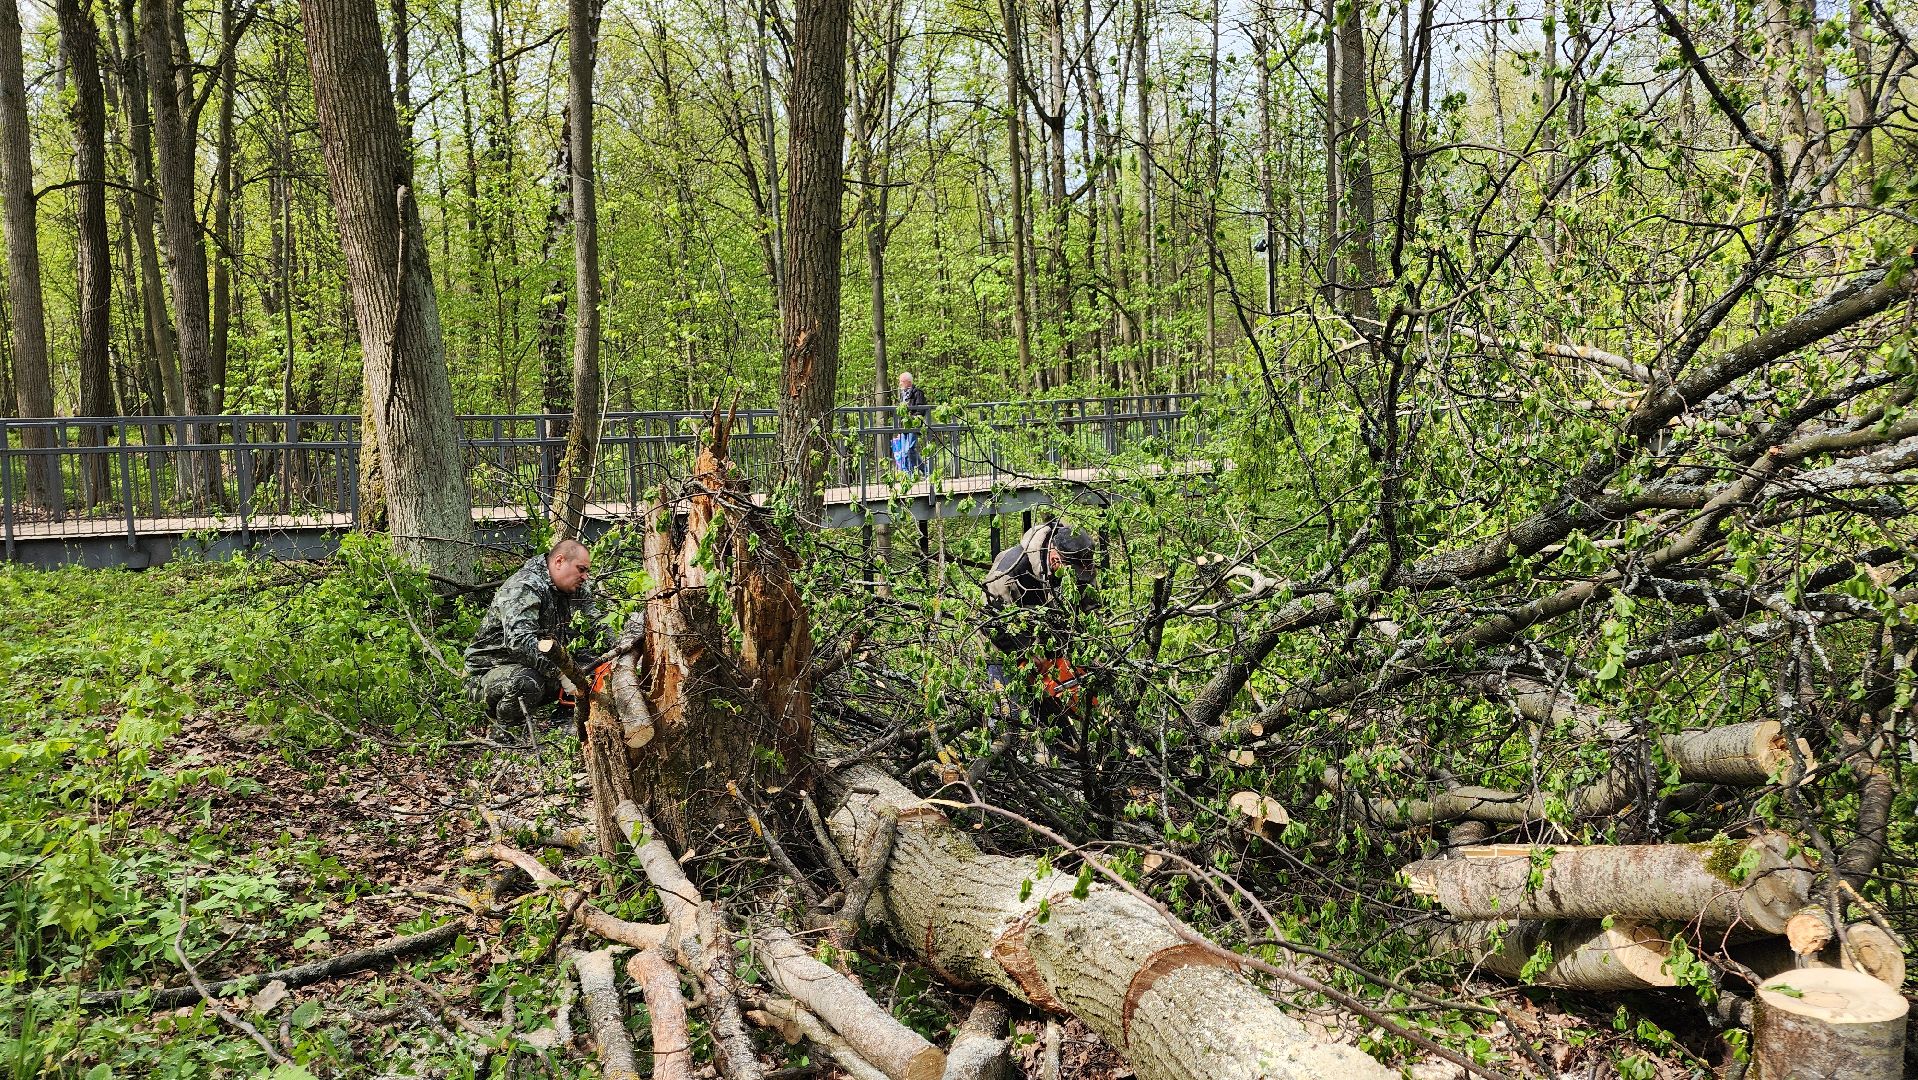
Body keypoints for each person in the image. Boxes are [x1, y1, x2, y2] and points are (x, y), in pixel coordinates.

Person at [463, 539, 602, 728]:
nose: (585, 577)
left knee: (594, 665)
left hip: (539, 666)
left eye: (587, 571)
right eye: (581, 569)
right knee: (526, 682)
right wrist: (564, 673)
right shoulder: (524, 586)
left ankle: (567, 717)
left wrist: (620, 653)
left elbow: (597, 625)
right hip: (488, 674)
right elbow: (519, 642)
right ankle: (506, 731)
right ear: (559, 561)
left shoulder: (576, 589)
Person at [980, 520, 1099, 723]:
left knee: (1056, 722)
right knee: (1010, 720)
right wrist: (1030, 655)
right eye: (1074, 575)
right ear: (1055, 559)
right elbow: (992, 624)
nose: (1078, 580)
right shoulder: (1009, 572)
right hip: (1004, 648)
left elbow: (1091, 613)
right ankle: (1005, 746)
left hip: (1050, 641)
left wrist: (1094, 651)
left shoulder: (1081, 566)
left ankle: (1061, 747)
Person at [895, 371, 931, 477]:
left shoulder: (917, 392)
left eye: (902, 382)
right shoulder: (902, 394)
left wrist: (913, 419)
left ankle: (925, 471)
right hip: (904, 426)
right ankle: (908, 475)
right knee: (903, 452)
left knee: (910, 450)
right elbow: (900, 412)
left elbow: (921, 410)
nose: (900, 384)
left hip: (913, 424)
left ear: (908, 382)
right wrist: (899, 429)